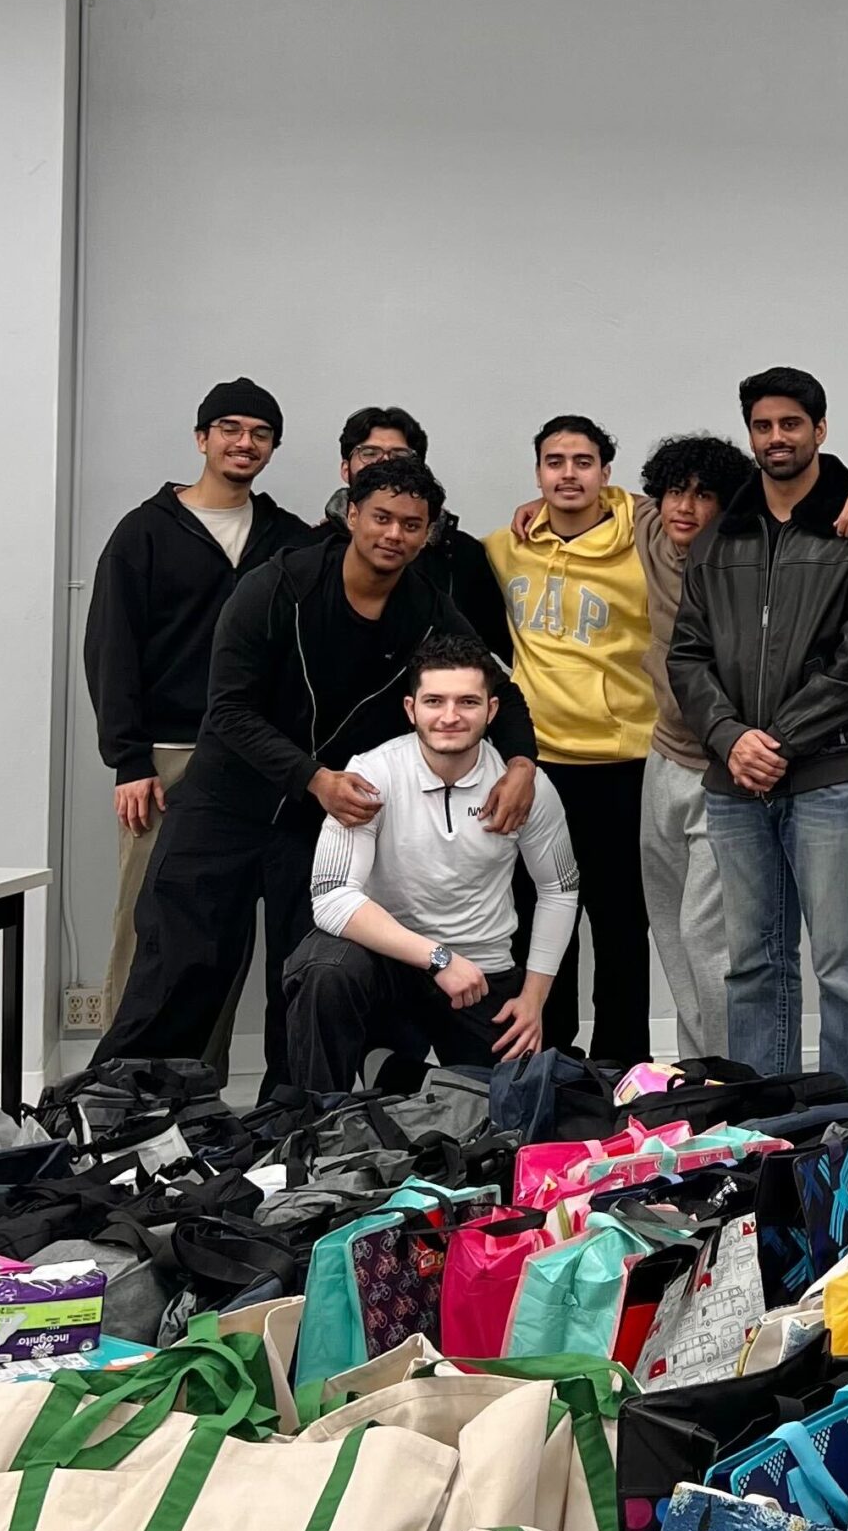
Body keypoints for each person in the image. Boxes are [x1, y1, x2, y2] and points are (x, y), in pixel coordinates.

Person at [99, 454, 539, 1096]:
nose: (394, 535)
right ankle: (122, 1114)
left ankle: (292, 1126)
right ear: (351, 514)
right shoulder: (279, 585)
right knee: (177, 971)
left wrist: (522, 764)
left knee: (303, 980)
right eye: (381, 518)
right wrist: (313, 777)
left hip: (313, 824)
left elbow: (503, 693)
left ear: (429, 533)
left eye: (412, 525)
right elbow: (228, 710)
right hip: (224, 806)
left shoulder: (427, 608)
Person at [669, 369, 848, 1119]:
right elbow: (687, 656)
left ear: (820, 430)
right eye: (763, 426)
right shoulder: (717, 539)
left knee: (843, 968)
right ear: (751, 434)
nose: (777, 438)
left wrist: (777, 744)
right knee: (752, 969)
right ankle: (765, 1132)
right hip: (734, 783)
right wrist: (731, 739)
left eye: (791, 424)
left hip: (829, 778)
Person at [81, 378, 309, 1019]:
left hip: (257, 761)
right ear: (202, 438)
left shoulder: (288, 539)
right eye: (231, 429)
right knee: (150, 925)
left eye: (261, 434)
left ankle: (196, 1085)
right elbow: (110, 650)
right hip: (166, 760)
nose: (245, 443)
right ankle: (119, 1086)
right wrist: (128, 760)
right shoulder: (143, 534)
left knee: (222, 934)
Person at [285, 636, 580, 1093]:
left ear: (492, 710)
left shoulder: (526, 786)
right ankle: (318, 1125)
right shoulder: (373, 773)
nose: (449, 716)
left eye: (467, 702)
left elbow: (559, 889)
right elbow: (330, 896)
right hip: (387, 962)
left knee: (514, 1110)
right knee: (325, 970)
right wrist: (438, 957)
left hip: (481, 970)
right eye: (434, 701)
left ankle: (396, 1076)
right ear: (410, 708)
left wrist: (533, 999)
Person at [485, 415, 656, 1063]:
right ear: (537, 473)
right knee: (538, 917)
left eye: (582, 462)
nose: (567, 474)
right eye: (554, 462)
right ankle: (548, 1055)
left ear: (606, 474)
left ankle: (620, 1063)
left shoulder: (645, 542)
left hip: (622, 759)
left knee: (618, 922)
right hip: (539, 764)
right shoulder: (508, 545)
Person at [634, 431, 760, 1064]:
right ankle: (694, 1066)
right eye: (674, 491)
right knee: (671, 935)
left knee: (707, 938)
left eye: (703, 494)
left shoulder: (744, 560)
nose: (684, 506)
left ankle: (729, 1076)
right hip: (662, 762)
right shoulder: (651, 529)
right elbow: (595, 492)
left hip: (721, 772)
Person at [324, 406, 512, 662]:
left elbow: (506, 650)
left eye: (400, 455)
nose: (385, 463)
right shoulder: (310, 549)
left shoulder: (462, 555)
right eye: (369, 453)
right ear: (345, 469)